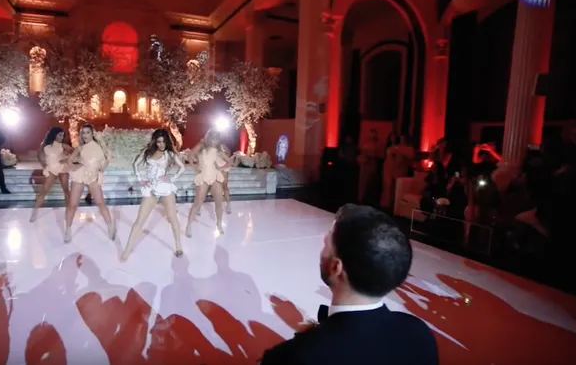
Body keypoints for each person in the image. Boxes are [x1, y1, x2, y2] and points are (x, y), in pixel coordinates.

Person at [260, 204, 438, 365]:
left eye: (327, 241)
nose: (323, 239)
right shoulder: (420, 335)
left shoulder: (291, 357)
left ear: (336, 267)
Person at [120, 129, 185, 261]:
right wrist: (140, 179)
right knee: (139, 221)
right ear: (155, 141)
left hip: (165, 188)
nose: (161, 144)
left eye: (163, 142)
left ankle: (178, 246)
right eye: (159, 142)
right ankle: (127, 250)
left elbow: (182, 167)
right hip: (150, 188)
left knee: (172, 217)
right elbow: (135, 164)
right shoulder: (148, 152)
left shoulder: (169, 154)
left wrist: (171, 178)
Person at [65, 124, 114, 243]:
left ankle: (110, 227)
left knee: (100, 203)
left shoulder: (100, 147)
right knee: (72, 204)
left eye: (87, 132)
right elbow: (70, 160)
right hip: (80, 175)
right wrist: (75, 167)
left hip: (93, 176)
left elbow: (106, 160)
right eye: (83, 133)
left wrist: (101, 169)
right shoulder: (80, 148)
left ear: (92, 133)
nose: (85, 135)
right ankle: (68, 229)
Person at [186, 130, 231, 237]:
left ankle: (219, 224)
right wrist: (195, 167)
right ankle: (189, 225)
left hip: (215, 176)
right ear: (209, 137)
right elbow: (190, 156)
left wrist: (221, 168)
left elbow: (229, 161)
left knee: (219, 203)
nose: (215, 141)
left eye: (217, 138)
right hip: (204, 176)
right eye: (213, 138)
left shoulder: (219, 150)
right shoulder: (201, 146)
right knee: (197, 203)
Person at [31, 127, 72, 222]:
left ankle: (68, 211)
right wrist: (44, 164)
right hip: (51, 169)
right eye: (60, 135)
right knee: (44, 191)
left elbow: (75, 153)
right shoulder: (45, 146)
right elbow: (39, 155)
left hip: (62, 168)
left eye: (63, 135)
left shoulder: (63, 145)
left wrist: (67, 158)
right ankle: (35, 211)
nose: (62, 137)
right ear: (54, 135)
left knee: (66, 191)